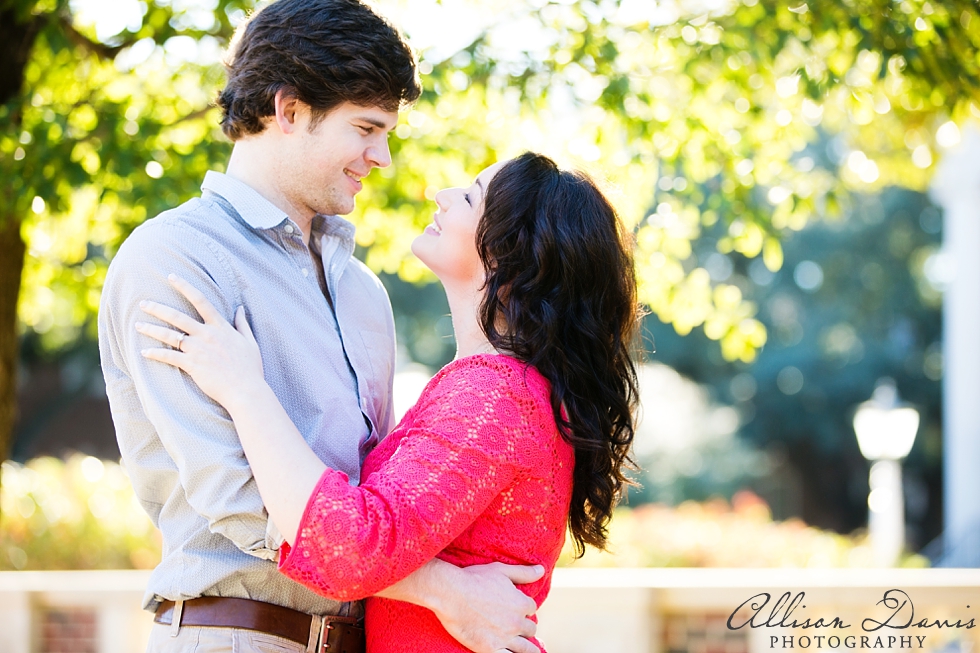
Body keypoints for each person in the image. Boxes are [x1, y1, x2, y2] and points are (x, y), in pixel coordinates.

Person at [98, 1, 546, 652]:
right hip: (240, 634)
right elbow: (239, 499)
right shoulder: (175, 260)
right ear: (289, 110)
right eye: (366, 128)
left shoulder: (365, 295)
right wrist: (441, 589)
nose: (382, 156)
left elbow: (379, 502)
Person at [135, 152, 641, 653]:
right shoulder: (504, 390)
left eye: (469, 197)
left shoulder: (497, 396)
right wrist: (448, 590)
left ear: (510, 254)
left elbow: (351, 548)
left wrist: (244, 389)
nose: (441, 196)